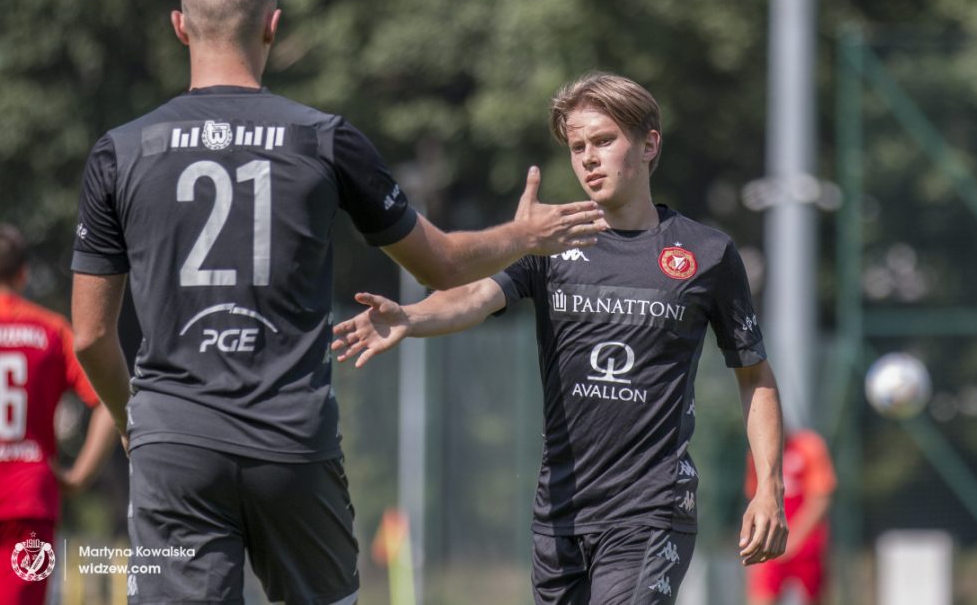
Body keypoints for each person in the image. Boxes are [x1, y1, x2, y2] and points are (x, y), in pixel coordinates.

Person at [69, 0, 606, 605]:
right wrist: (523, 235)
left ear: (180, 26)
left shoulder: (119, 151)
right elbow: (441, 264)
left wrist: (135, 423)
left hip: (173, 445)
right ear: (273, 25)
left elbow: (91, 336)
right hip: (291, 443)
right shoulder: (323, 138)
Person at [332, 72, 789, 605]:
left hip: (651, 509)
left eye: (603, 141)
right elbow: (474, 296)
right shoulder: (549, 242)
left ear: (648, 145)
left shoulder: (705, 253)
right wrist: (411, 317)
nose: (588, 159)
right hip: (560, 513)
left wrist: (769, 486)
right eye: (577, 147)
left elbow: (754, 375)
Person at [0, 224, 118, 605]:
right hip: (30, 502)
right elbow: (109, 403)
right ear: (23, 274)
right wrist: (79, 475)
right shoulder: (53, 331)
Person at [745, 428, 836, 605]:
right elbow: (755, 502)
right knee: (761, 595)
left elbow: (820, 500)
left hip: (806, 546)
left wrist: (792, 540)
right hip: (770, 544)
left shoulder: (809, 447)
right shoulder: (757, 454)